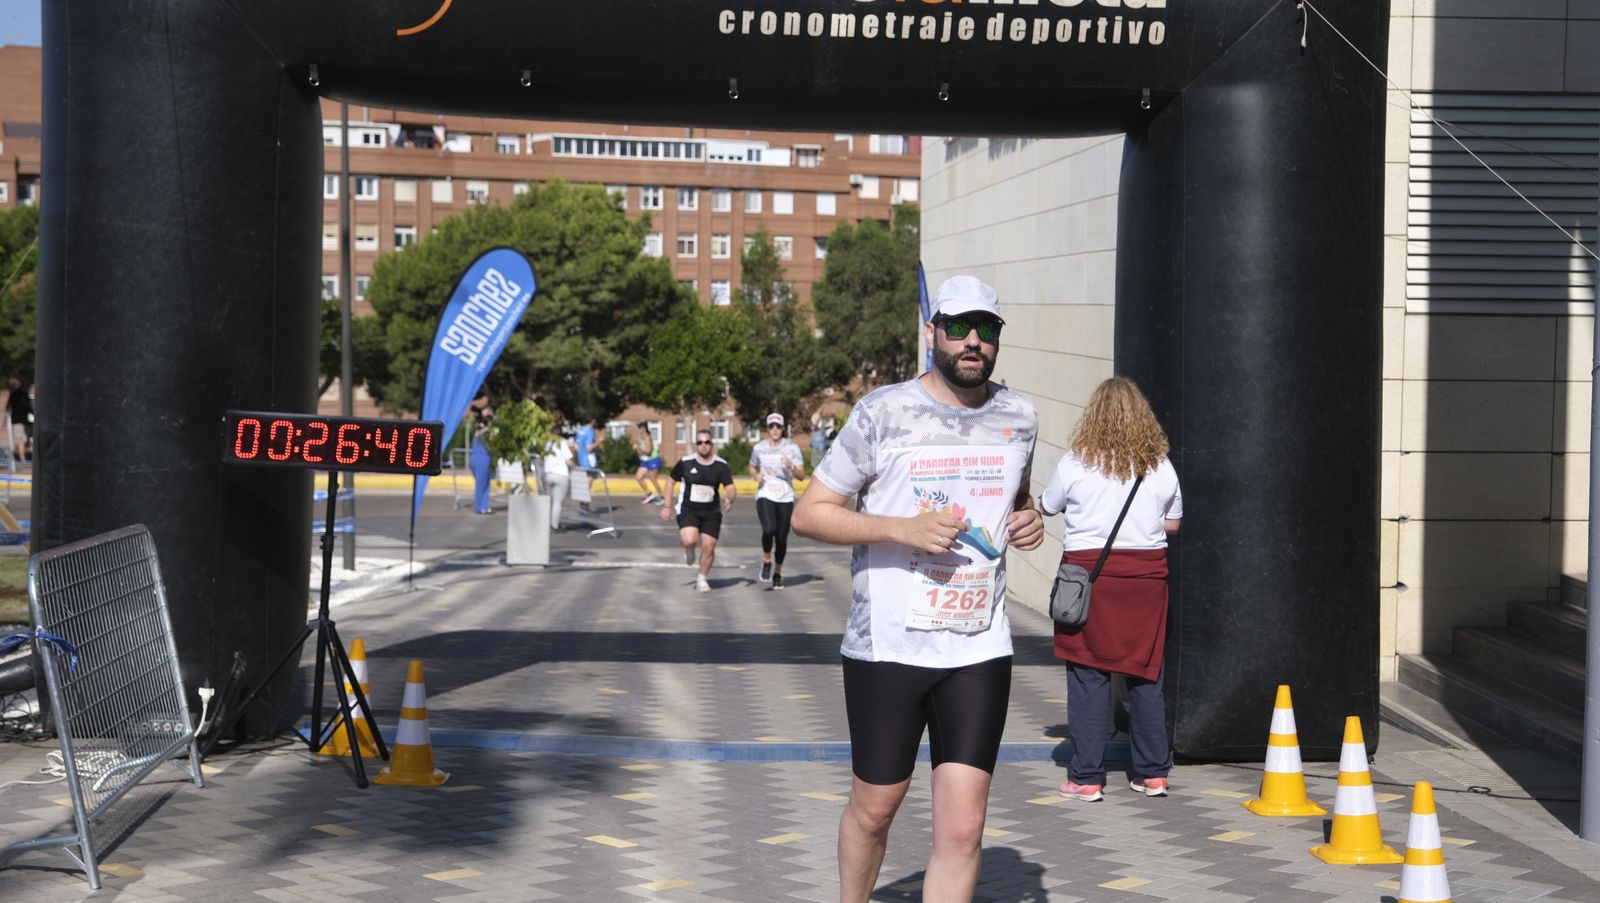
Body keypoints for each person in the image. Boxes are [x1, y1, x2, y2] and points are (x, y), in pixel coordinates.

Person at [792, 275, 1043, 903]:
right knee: (876, 807)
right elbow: (810, 513)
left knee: (963, 828)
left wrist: (1030, 518)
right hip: (889, 647)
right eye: (958, 326)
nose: (973, 340)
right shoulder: (883, 412)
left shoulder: (1019, 416)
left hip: (978, 646)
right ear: (933, 332)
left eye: (987, 328)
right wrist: (900, 528)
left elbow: (1017, 499)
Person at [1039, 376, 1182, 802]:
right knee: (1145, 674)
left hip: (1089, 581)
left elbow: (1048, 506)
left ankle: (1086, 778)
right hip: (1145, 583)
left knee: (1088, 675)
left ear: (1093, 416)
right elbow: (1173, 524)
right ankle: (1153, 774)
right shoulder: (1160, 465)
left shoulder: (1074, 463)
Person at [660, 429, 736, 593]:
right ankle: (689, 550)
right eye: (700, 442)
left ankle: (702, 578)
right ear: (696, 445)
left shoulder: (721, 465)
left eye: (707, 442)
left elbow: (730, 487)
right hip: (689, 510)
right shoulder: (686, 462)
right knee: (689, 540)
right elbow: (670, 481)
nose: (703, 445)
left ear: (712, 444)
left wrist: (730, 499)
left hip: (711, 512)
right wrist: (667, 506)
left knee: (709, 546)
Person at [749, 412, 806, 589]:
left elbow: (802, 476)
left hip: (785, 495)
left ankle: (777, 573)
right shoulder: (759, 448)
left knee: (781, 537)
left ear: (783, 429)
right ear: (767, 429)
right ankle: (767, 559)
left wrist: (791, 466)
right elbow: (752, 466)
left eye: (778, 426)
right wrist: (755, 476)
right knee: (769, 529)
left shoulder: (792, 448)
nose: (775, 429)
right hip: (765, 492)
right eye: (771, 426)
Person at [540, 435, 574, 530]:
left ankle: (546, 523)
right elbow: (568, 461)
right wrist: (576, 467)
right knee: (557, 502)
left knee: (549, 501)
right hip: (561, 474)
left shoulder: (547, 444)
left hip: (548, 474)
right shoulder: (562, 443)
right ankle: (555, 525)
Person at [469, 406, 494, 515]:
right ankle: (482, 507)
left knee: (482, 484)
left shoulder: (478, 429)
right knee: (483, 484)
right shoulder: (486, 431)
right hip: (482, 458)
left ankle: (481, 506)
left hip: (475, 458)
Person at [633, 423, 665, 504]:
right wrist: (637, 449)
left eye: (640, 429)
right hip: (645, 461)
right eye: (638, 429)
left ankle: (662, 497)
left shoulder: (647, 438)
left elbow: (648, 451)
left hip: (653, 460)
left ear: (644, 429)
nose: (639, 431)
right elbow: (642, 452)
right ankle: (649, 494)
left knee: (653, 479)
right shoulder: (642, 438)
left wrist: (639, 447)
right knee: (638, 477)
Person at [574, 418, 598, 515]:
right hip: (589, 461)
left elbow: (576, 445)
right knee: (588, 483)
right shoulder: (589, 432)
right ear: (592, 421)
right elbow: (589, 448)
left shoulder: (580, 431)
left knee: (584, 483)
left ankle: (583, 505)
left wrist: (581, 453)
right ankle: (584, 505)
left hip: (581, 460)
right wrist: (600, 441)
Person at [6, 380, 32, 463]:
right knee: (21, 440)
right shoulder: (17, 394)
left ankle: (12, 455)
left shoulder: (20, 395)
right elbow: (8, 407)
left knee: (23, 440)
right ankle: (22, 459)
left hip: (23, 421)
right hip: (19, 422)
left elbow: (8, 407)